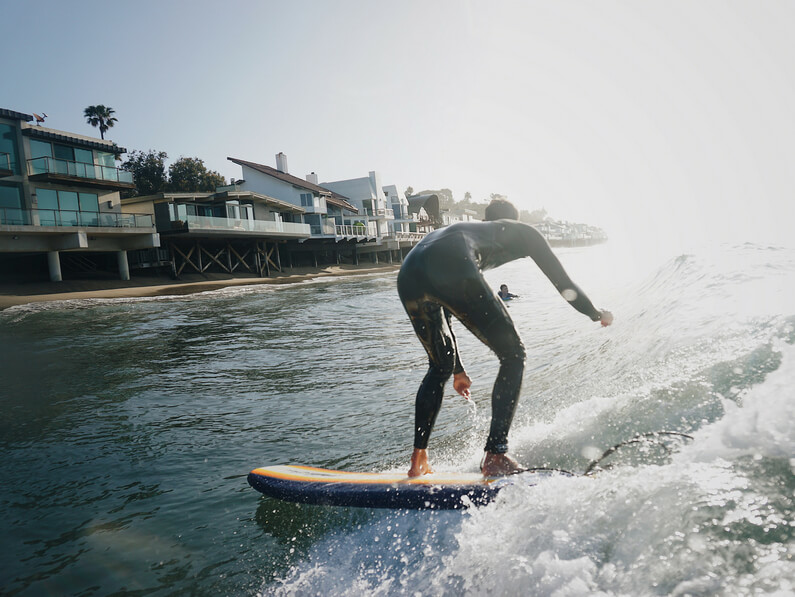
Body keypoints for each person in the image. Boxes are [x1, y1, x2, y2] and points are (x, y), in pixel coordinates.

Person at [397, 198, 613, 477]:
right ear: (514, 220)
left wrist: (457, 370)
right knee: (514, 355)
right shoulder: (523, 231)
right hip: (452, 262)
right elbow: (565, 285)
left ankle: (418, 461)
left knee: (439, 367)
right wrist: (597, 314)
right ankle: (496, 454)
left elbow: (445, 312)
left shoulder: (468, 231)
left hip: (409, 272)